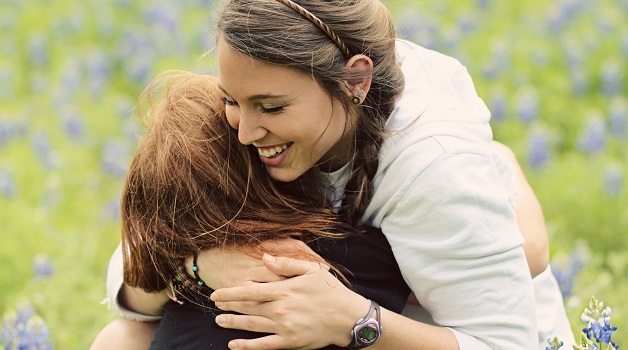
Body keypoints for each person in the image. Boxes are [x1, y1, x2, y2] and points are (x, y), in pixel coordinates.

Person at [95, 0, 574, 348]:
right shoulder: (238, 124)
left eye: (271, 106)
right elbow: (131, 276)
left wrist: (352, 319)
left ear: (357, 81)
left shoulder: (433, 162)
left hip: (426, 332)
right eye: (230, 98)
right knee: (121, 341)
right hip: (308, 321)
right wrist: (199, 267)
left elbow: (507, 343)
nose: (244, 132)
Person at [93, 70, 412, 350]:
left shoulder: (189, 272)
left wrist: (193, 268)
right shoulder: (350, 253)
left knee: (118, 338)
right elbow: (442, 307)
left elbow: (141, 267)